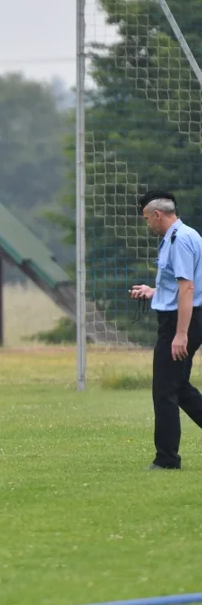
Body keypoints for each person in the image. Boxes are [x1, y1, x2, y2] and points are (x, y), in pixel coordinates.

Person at [129, 190, 202, 470]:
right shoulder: (186, 236)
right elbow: (179, 287)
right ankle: (167, 457)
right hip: (184, 316)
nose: (148, 224)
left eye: (148, 219)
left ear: (158, 215)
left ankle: (167, 459)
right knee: (179, 387)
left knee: (164, 391)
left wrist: (180, 334)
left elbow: (188, 289)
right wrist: (154, 291)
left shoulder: (179, 240)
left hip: (179, 322)